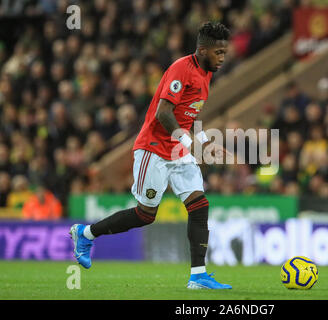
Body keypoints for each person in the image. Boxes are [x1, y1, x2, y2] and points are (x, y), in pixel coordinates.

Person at [69, 22, 232, 290]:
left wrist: (205, 141)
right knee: (145, 215)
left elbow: (189, 113)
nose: (223, 58)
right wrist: (191, 143)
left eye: (224, 52)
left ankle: (198, 276)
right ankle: (85, 234)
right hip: (154, 148)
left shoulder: (206, 73)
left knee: (199, 205)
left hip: (178, 150)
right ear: (202, 50)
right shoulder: (182, 69)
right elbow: (163, 113)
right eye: (219, 53)